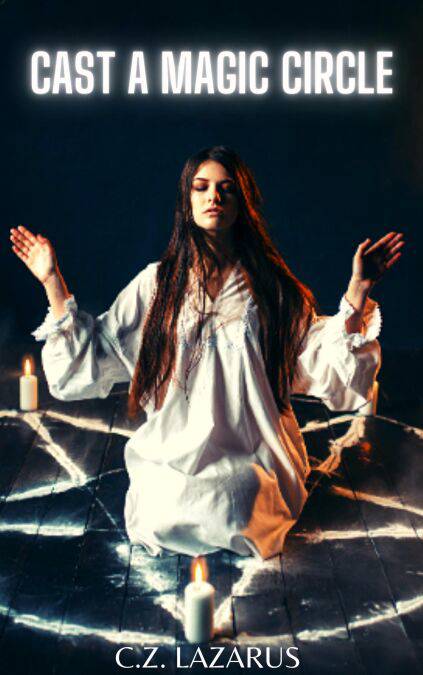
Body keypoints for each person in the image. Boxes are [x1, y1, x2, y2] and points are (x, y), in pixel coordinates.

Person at [10, 146, 404, 560]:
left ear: (242, 202)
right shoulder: (156, 284)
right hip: (175, 450)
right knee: (161, 513)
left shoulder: (270, 287)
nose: (213, 196)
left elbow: (322, 358)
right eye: (201, 187)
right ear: (188, 200)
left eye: (226, 188)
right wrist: (52, 280)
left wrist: (359, 289)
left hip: (250, 451)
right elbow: (96, 351)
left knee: (238, 506)